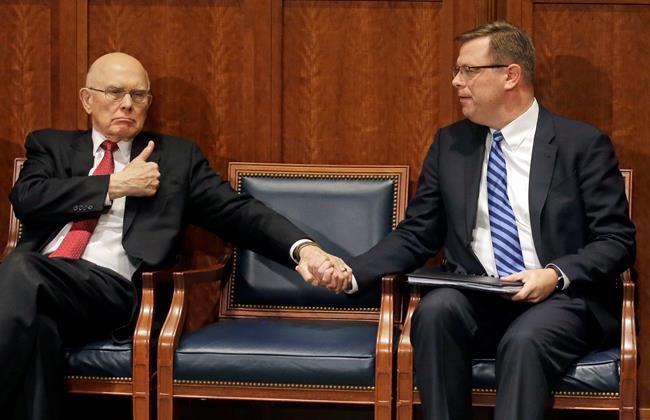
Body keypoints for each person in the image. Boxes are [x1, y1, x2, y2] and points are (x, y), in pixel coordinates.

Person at [0, 52, 351, 420]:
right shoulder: (51, 146)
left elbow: (238, 213)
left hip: (114, 292)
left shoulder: (176, 158)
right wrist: (113, 186)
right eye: (115, 92)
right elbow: (27, 199)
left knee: (20, 269)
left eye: (138, 95)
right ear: (87, 99)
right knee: (38, 331)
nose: (127, 103)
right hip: (41, 289)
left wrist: (304, 250)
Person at [345, 21, 635, 419]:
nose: (456, 81)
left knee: (525, 340)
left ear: (510, 76)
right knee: (435, 312)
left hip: (560, 300)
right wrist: (354, 271)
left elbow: (616, 241)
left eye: (468, 70)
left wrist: (554, 275)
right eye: (457, 70)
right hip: (477, 295)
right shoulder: (451, 144)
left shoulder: (580, 145)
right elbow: (417, 233)